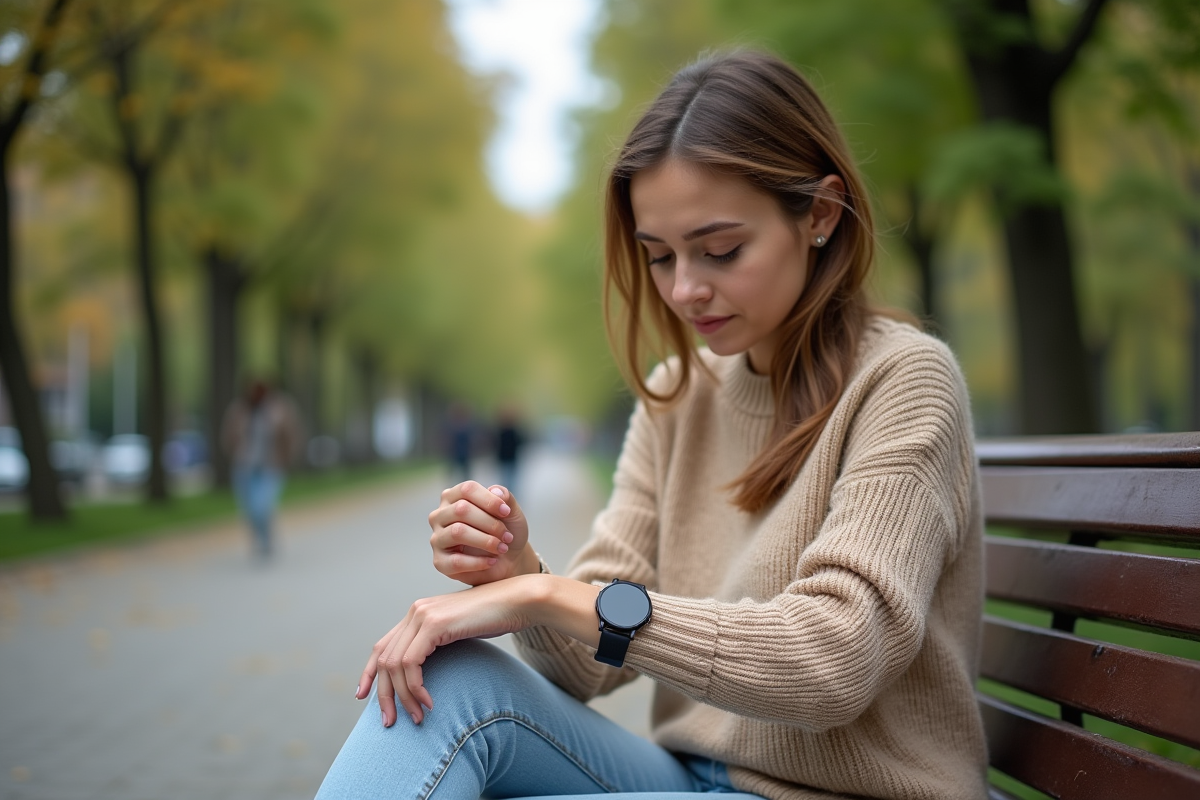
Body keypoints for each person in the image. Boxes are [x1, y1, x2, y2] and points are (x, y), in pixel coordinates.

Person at [317, 50, 987, 800]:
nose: (685, 289)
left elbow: (833, 661)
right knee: (454, 682)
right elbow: (591, 665)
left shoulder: (904, 380)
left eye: (721, 250)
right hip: (688, 776)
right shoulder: (679, 393)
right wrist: (520, 569)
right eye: (660, 257)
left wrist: (543, 598)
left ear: (821, 215)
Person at [221, 378, 301, 559]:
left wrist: (287, 459)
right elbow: (228, 435)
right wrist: (234, 453)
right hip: (244, 467)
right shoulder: (239, 409)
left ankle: (267, 539)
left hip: (271, 466)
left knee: (263, 507)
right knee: (249, 509)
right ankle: (259, 539)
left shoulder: (280, 408)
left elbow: (291, 435)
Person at [494, 405, 526, 497]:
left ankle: (507, 493)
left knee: (507, 476)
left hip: (507, 456)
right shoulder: (509, 430)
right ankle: (508, 493)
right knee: (509, 476)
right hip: (508, 456)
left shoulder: (503, 430)